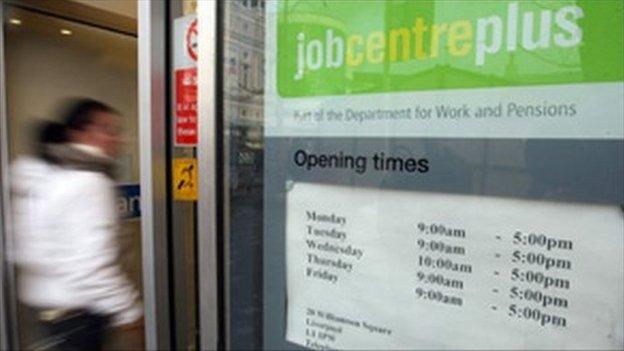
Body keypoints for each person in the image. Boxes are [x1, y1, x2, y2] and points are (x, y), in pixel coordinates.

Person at [10, 99, 143, 350]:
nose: (116, 139)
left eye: (117, 131)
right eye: (106, 130)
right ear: (78, 134)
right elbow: (91, 267)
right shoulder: (89, 182)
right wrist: (129, 310)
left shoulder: (47, 179)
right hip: (80, 315)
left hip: (49, 311)